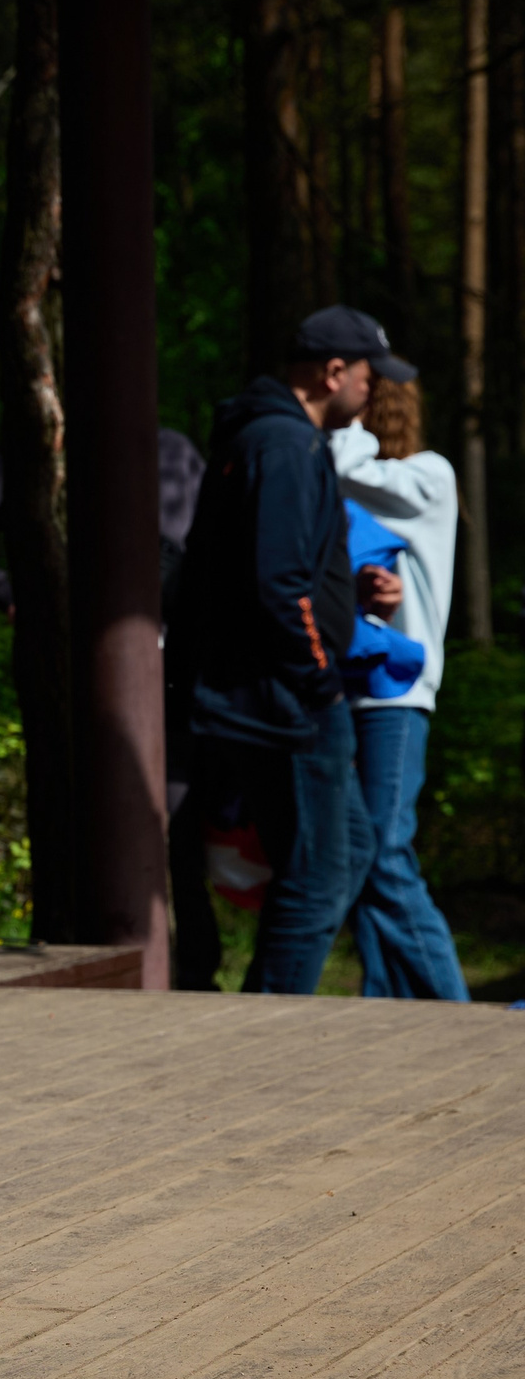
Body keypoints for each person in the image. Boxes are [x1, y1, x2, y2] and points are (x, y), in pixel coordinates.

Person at [169, 305, 409, 993]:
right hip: (289, 699)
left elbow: (277, 569)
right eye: (370, 376)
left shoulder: (274, 439)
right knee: (317, 876)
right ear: (335, 373)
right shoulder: (283, 444)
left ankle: (268, 1014)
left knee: (351, 849)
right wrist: (318, 675)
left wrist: (348, 592)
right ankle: (267, 1028)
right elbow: (277, 582)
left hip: (278, 689)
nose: (375, 392)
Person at [332, 373, 469, 999]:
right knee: (362, 856)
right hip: (346, 688)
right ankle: (387, 1006)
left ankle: (459, 1013)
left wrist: (343, 423)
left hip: (397, 692)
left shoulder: (427, 476)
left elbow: (347, 466)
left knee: (384, 850)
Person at [0, 433, 205, 616]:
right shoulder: (46, 456)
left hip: (180, 654)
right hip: (67, 647)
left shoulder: (175, 453)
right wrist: (7, 594)